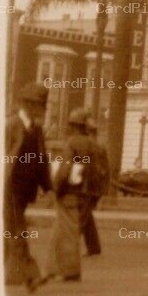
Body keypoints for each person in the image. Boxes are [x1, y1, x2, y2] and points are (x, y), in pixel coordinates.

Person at [5, 83, 54, 291]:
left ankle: (7, 273)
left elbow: (41, 159)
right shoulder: (11, 125)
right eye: (39, 105)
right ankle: (30, 275)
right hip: (10, 186)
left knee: (10, 229)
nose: (42, 109)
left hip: (26, 189)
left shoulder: (36, 129)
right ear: (27, 104)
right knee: (17, 229)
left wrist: (48, 187)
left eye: (42, 105)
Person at [51, 107, 95, 282]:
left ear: (73, 125)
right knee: (66, 230)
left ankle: (70, 271)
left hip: (71, 192)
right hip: (87, 193)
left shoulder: (72, 143)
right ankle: (57, 268)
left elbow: (64, 170)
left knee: (67, 231)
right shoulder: (93, 144)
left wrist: (57, 187)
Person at [75, 113, 110, 257]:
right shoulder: (99, 146)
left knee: (80, 218)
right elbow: (105, 170)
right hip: (95, 187)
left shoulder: (88, 146)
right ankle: (94, 247)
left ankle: (69, 247)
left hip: (88, 187)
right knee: (86, 215)